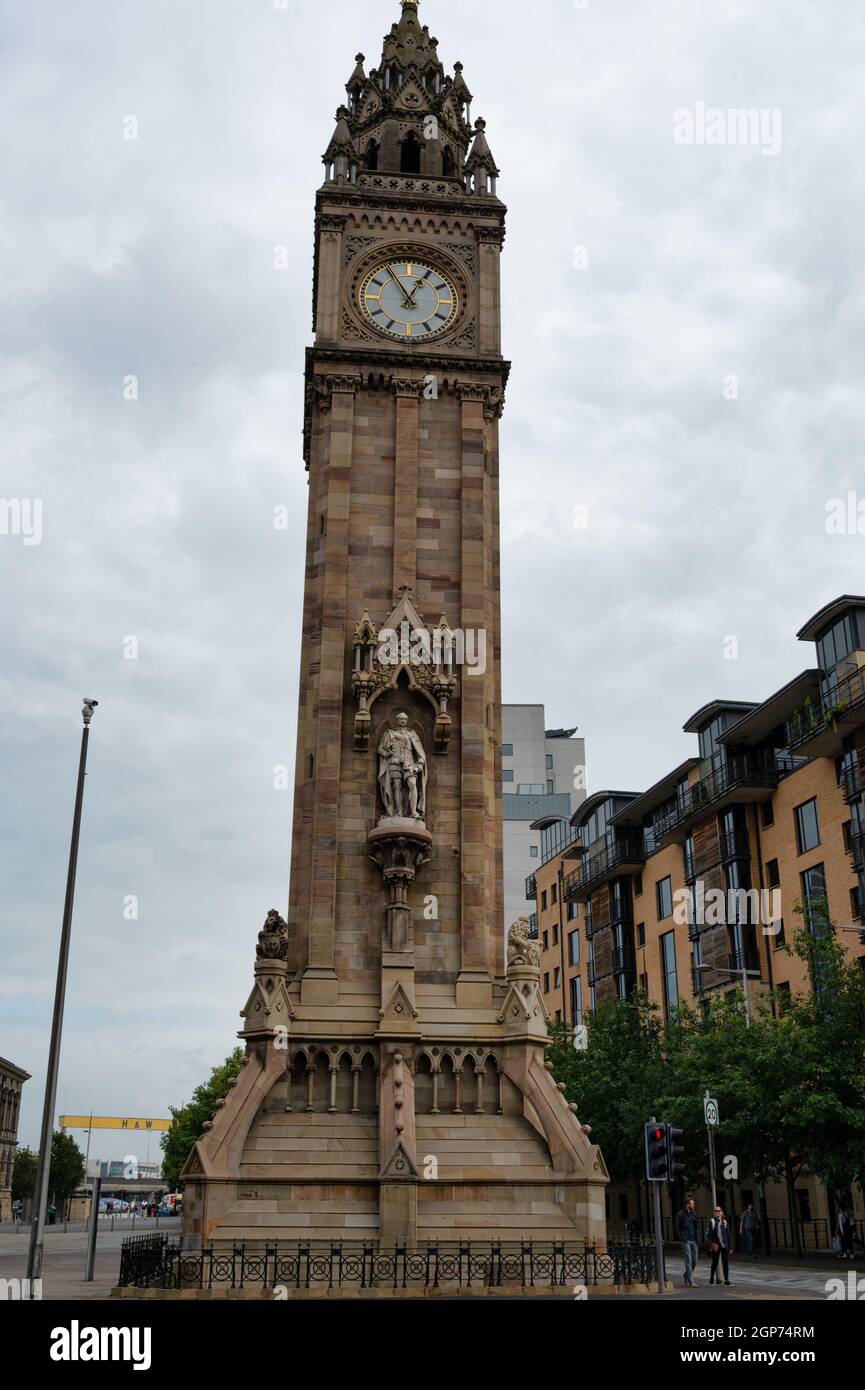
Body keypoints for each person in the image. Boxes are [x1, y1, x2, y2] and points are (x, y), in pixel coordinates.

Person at [675, 1197, 700, 1287]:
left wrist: (697, 1238)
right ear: (687, 1204)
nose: (693, 1205)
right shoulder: (680, 1214)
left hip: (694, 1240)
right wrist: (681, 1237)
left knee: (694, 1261)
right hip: (685, 1240)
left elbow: (696, 1227)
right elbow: (677, 1227)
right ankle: (690, 1280)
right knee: (688, 1260)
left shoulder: (693, 1214)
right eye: (692, 1203)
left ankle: (686, 1275)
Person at [707, 1205, 733, 1286]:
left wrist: (730, 1247)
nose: (717, 1212)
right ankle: (711, 1277)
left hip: (724, 1246)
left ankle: (727, 1280)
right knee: (714, 1262)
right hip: (716, 1245)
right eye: (716, 1211)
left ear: (722, 1212)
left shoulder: (725, 1222)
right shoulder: (712, 1221)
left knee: (725, 1263)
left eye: (719, 1211)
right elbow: (709, 1235)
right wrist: (710, 1247)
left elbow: (728, 1235)